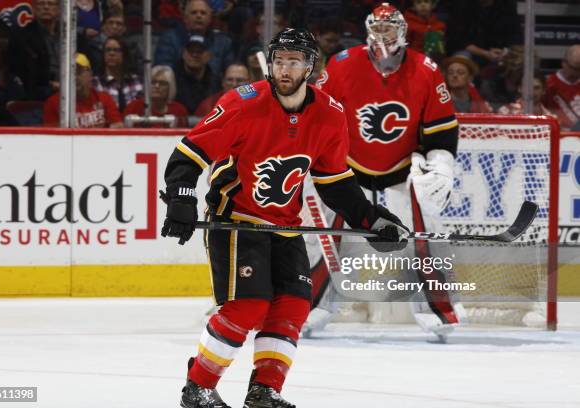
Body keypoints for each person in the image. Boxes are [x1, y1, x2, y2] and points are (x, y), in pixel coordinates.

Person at [161, 28, 408, 408]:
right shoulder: (243, 103)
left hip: (284, 226)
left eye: (294, 61)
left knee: (294, 304)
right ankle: (198, 388)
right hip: (237, 220)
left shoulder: (329, 114)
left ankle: (264, 391)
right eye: (279, 60)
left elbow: (334, 180)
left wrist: (370, 219)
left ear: (310, 67)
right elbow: (189, 152)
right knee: (249, 306)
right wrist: (180, 199)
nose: (284, 68)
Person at [309, 2, 462, 337]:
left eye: (389, 29)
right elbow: (315, 114)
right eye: (378, 29)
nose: (383, 35)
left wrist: (441, 164)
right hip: (348, 166)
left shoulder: (425, 69)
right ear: (367, 31)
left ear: (402, 32)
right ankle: (312, 305)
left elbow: (441, 128)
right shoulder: (341, 65)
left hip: (402, 167)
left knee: (424, 236)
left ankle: (438, 307)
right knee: (327, 237)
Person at [154, 0, 234, 77]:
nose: (199, 16)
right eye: (194, 12)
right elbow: (163, 72)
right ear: (185, 18)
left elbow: (231, 73)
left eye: (203, 13)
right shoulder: (169, 39)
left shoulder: (223, 43)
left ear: (210, 18)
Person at [42, 53, 123, 128]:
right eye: (70, 73)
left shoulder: (104, 99)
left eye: (79, 71)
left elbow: (118, 126)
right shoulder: (53, 103)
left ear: (90, 74)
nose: (75, 77)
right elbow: (53, 138)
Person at [123, 65, 189, 127]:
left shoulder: (179, 111)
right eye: (153, 82)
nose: (157, 86)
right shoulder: (133, 107)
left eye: (162, 83)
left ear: (170, 87)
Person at [93, 36, 143, 112]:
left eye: (116, 50)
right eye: (108, 50)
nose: (111, 53)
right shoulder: (95, 83)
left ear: (124, 54)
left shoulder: (137, 81)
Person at [174, 34, 221, 114]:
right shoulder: (174, 78)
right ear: (183, 54)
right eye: (191, 51)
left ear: (208, 56)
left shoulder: (216, 80)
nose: (195, 55)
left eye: (199, 52)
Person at [543, 44, 580, 130]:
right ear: (563, 63)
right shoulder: (548, 84)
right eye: (573, 68)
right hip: (558, 132)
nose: (576, 72)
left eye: (579, 69)